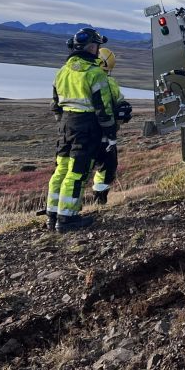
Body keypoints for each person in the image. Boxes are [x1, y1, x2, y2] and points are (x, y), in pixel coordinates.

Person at [45, 27, 115, 233]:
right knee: (77, 172)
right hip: (86, 126)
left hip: (66, 125)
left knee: (61, 170)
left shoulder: (62, 71)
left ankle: (52, 215)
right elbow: (104, 108)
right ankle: (67, 218)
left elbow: (55, 104)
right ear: (92, 48)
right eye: (97, 46)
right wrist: (110, 133)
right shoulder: (95, 74)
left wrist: (64, 123)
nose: (98, 50)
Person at [91, 47, 133, 205]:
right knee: (107, 166)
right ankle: (99, 199)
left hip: (78, 131)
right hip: (104, 133)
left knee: (78, 169)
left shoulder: (76, 78)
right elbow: (119, 104)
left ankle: (68, 207)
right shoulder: (108, 82)